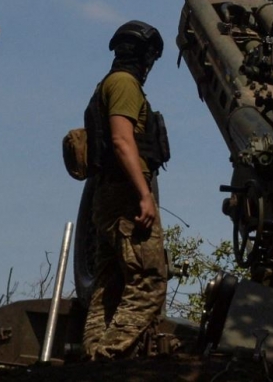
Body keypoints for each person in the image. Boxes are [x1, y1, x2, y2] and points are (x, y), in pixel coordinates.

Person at [82, 20, 170, 360]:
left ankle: (95, 354)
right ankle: (111, 352)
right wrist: (144, 195)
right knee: (149, 278)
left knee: (110, 283)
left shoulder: (108, 82)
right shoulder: (124, 85)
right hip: (125, 196)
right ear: (145, 55)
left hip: (107, 195)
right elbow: (121, 140)